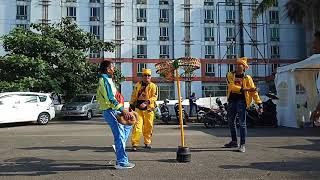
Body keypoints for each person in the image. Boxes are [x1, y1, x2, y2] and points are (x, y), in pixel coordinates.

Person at [96, 61, 135, 169]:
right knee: (119, 135)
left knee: (128, 124)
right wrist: (123, 110)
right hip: (110, 110)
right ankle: (121, 162)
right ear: (108, 69)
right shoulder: (104, 80)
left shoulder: (108, 80)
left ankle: (118, 145)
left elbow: (115, 96)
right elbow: (111, 98)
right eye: (113, 67)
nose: (114, 69)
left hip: (114, 110)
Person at [224, 57, 263, 153]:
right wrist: (246, 90)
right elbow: (232, 87)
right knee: (230, 122)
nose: (237, 66)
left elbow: (254, 92)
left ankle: (242, 144)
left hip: (242, 101)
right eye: (236, 64)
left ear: (244, 67)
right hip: (232, 101)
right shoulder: (230, 75)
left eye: (239, 65)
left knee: (242, 123)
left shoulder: (247, 78)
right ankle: (234, 141)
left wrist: (259, 103)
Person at [130, 68, 158, 151]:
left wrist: (146, 103)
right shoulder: (137, 85)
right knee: (137, 127)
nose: (147, 77)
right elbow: (134, 95)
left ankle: (147, 142)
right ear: (142, 76)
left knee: (148, 127)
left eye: (149, 75)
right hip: (138, 109)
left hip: (149, 109)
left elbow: (155, 97)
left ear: (151, 77)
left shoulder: (153, 86)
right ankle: (135, 143)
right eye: (145, 75)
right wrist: (131, 105)